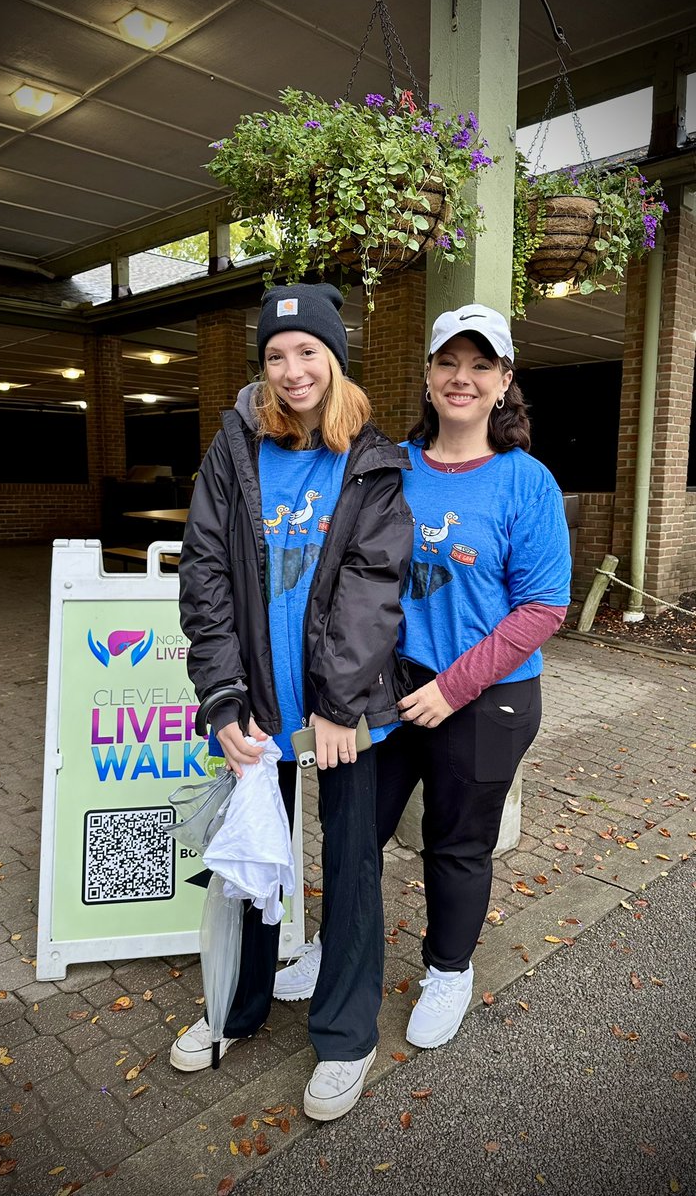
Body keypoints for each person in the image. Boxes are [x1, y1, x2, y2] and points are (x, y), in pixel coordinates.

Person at [274, 303, 571, 1053]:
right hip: (382, 691)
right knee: (352, 832)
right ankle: (336, 947)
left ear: (505, 381)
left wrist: (453, 687)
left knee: (456, 844)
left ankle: (448, 970)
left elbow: (543, 608)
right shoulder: (384, 464)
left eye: (480, 365)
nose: (461, 378)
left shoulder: (524, 481)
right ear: (428, 374)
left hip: (484, 698)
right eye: (448, 363)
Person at [173, 282, 413, 1121]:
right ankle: (234, 1009)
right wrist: (224, 695)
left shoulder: (372, 459)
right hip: (256, 701)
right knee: (247, 864)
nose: (291, 368)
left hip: (345, 710)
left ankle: (347, 1036)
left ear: (335, 358)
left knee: (350, 863)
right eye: (275, 356)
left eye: (307, 350)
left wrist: (341, 703)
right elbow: (203, 573)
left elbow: (373, 583)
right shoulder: (235, 449)